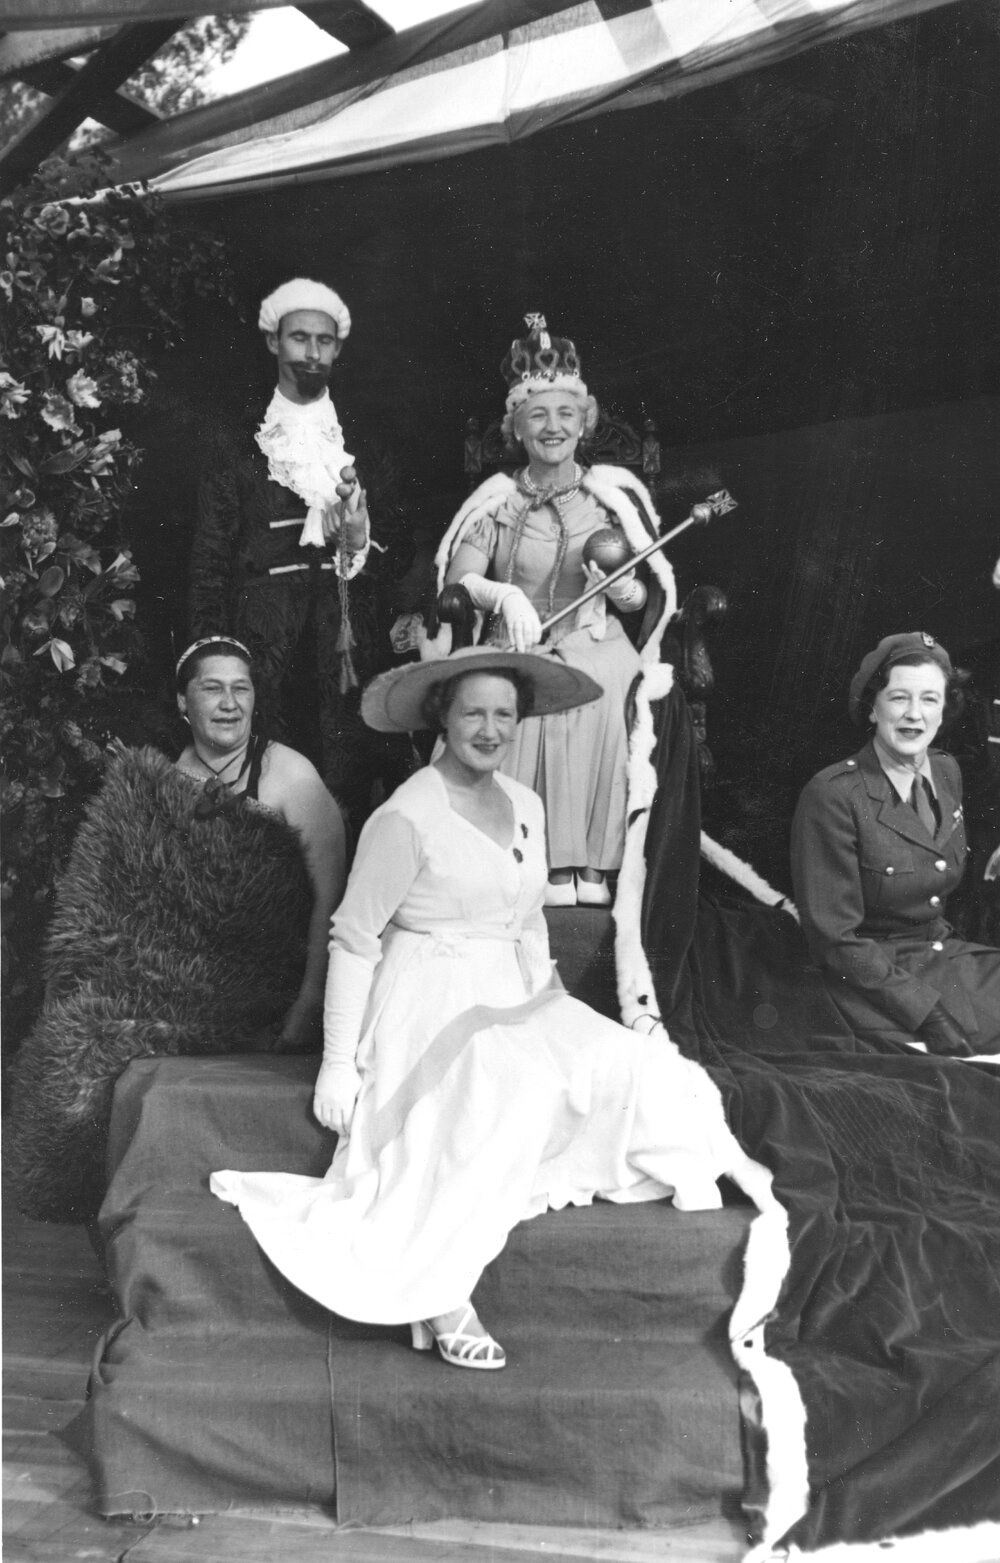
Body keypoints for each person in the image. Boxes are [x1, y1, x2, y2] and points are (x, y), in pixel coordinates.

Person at [211, 648, 764, 1370]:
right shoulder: (407, 813)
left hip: (515, 986)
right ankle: (443, 1289)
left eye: (505, 713)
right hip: (428, 993)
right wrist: (339, 1063)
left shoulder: (526, 803)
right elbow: (353, 937)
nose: (490, 727)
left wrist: (552, 1001)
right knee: (506, 1087)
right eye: (473, 711)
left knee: (636, 1066)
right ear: (442, 715)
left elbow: (527, 915)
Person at [435, 314, 677, 907]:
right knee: (511, 691)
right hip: (514, 641)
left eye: (565, 413)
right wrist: (502, 594)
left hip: (592, 638)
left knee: (602, 682)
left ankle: (591, 863)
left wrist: (621, 594)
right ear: (516, 427)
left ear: (584, 422)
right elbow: (460, 577)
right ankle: (525, 854)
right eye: (537, 414)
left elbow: (641, 594)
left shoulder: (608, 499)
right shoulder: (496, 503)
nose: (553, 427)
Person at [189, 277, 414, 832]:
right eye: (299, 338)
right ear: (274, 343)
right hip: (263, 636)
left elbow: (401, 548)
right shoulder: (239, 441)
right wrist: (210, 653)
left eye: (324, 340)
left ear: (337, 348)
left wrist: (360, 539)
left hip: (346, 640)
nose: (312, 353)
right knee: (264, 790)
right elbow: (210, 559)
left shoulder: (367, 439)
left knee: (349, 780)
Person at [790, 631, 1000, 1056]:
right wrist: (927, 1014)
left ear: (945, 710)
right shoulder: (833, 794)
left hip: (939, 957)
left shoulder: (946, 772)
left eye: (929, 700)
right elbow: (835, 940)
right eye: (899, 697)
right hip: (872, 982)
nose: (914, 715)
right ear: (872, 707)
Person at [175, 635, 347, 1050]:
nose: (229, 703)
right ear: (183, 702)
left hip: (279, 1000)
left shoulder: (289, 774)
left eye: (241, 688)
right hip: (190, 997)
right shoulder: (166, 779)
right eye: (212, 688)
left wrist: (309, 1002)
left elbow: (334, 897)